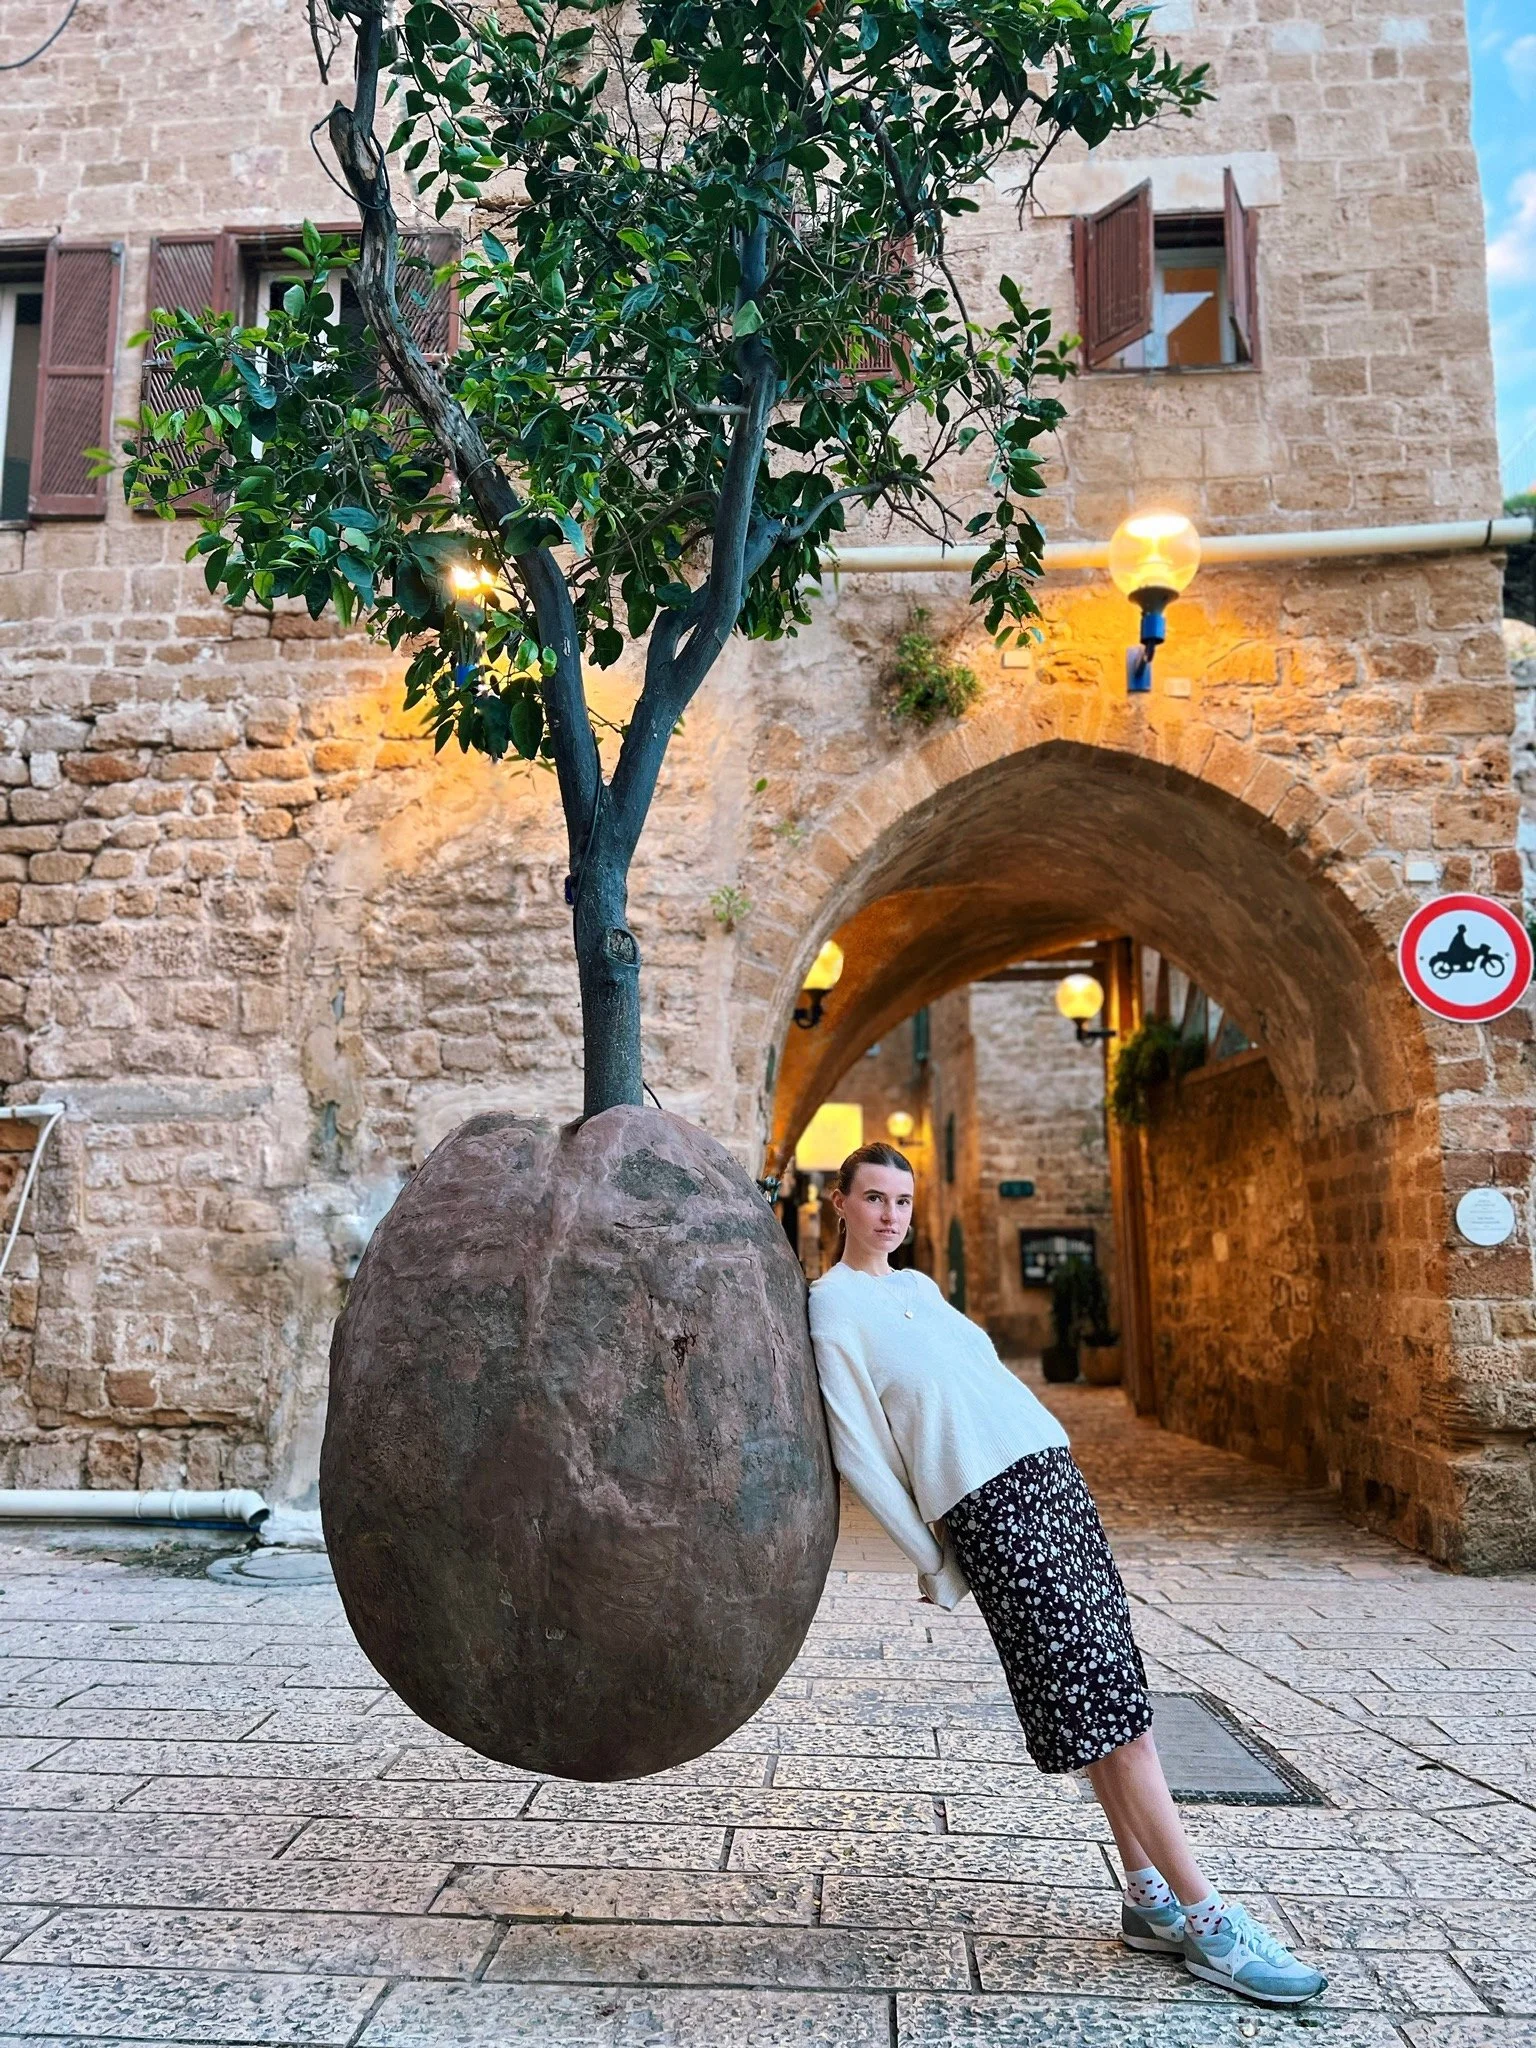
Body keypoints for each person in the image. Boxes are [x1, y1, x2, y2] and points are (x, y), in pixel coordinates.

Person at [808, 1141, 1326, 2010]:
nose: (891, 1215)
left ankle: (1148, 1897)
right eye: (873, 1198)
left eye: (902, 1199)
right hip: (994, 1511)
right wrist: (933, 1557)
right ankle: (1211, 1922)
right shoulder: (832, 1308)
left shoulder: (921, 1288)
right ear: (839, 1204)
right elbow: (859, 1450)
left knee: (1109, 1706)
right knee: (1120, 1723)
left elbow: (979, 1384)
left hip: (1054, 1482)